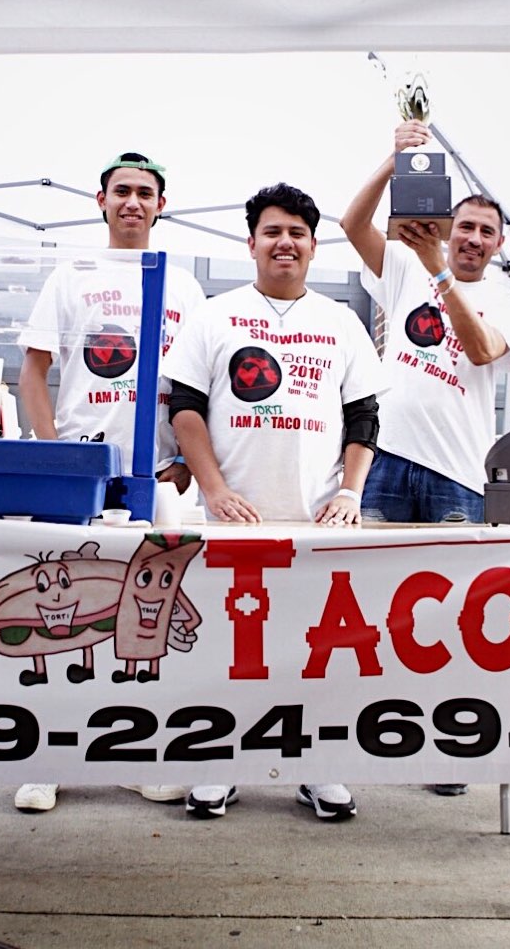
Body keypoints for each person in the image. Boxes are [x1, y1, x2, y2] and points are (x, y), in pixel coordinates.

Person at [162, 182, 382, 822]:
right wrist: (214, 488)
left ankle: (317, 767)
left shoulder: (340, 322)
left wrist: (350, 492)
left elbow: (364, 417)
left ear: (314, 245)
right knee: (231, 648)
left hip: (318, 522)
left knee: (314, 650)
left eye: (297, 233)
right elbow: (186, 409)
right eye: (273, 232)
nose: (285, 243)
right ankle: (220, 763)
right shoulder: (215, 315)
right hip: (233, 521)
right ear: (251, 242)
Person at [12, 150, 206, 815]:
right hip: (81, 477)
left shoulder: (182, 285)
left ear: (160, 205)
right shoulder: (72, 274)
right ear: (100, 201)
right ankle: (45, 760)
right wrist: (52, 456)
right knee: (60, 615)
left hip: (157, 479)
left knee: (144, 620)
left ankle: (135, 755)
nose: (132, 202)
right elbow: (34, 371)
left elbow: (197, 385)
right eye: (121, 191)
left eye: (144, 192)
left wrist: (186, 459)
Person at [340, 120, 510, 527]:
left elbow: (482, 351)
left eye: (487, 232)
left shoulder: (508, 300)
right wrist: (394, 163)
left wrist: (440, 273)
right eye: (466, 226)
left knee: (454, 570)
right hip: (387, 455)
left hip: (458, 471)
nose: (474, 238)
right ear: (448, 230)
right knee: (374, 563)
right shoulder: (407, 266)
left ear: (499, 244)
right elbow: (352, 225)